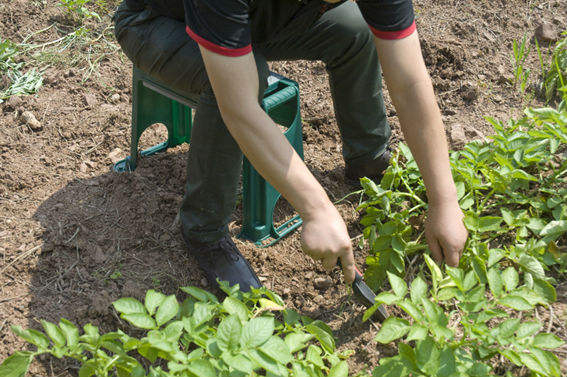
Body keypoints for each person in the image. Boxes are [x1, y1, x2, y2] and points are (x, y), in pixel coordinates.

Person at [113, 0, 469, 291]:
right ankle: (204, 231)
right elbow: (238, 108)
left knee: (355, 30)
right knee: (240, 79)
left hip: (252, 18)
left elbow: (409, 83)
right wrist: (316, 209)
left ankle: (368, 160)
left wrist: (444, 200)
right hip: (157, 21)